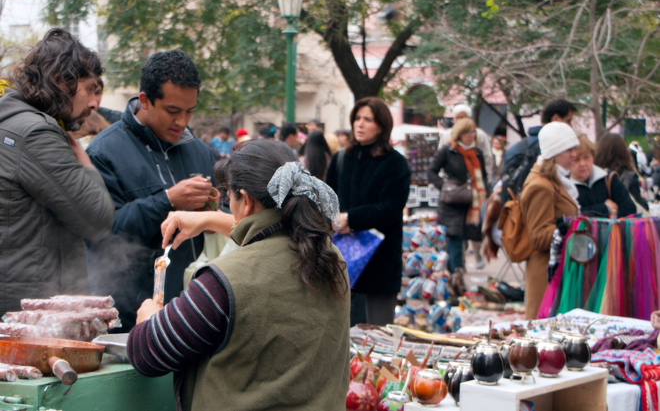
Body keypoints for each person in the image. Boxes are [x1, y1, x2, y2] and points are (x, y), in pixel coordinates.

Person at [127, 140, 350, 410]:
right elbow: (270, 229)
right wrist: (208, 220)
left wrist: (148, 318)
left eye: (228, 199)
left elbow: (148, 354)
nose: (227, 207)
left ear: (245, 200)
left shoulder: (225, 279)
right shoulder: (328, 256)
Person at [86, 50, 220, 330]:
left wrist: (212, 213)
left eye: (189, 111)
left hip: (195, 310)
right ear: (145, 100)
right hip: (131, 314)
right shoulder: (103, 151)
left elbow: (225, 224)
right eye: (172, 111)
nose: (182, 122)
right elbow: (102, 233)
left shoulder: (201, 152)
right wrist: (168, 200)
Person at [0, 28, 114, 314]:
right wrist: (87, 167)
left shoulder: (11, 122)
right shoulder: (36, 132)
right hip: (31, 315)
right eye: (89, 89)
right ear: (60, 81)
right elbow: (97, 218)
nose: (93, 102)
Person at [326, 97, 410, 326]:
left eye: (368, 120)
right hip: (342, 262)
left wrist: (351, 218)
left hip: (379, 264)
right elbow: (326, 199)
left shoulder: (395, 163)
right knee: (340, 339)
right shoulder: (342, 158)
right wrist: (332, 218)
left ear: (381, 126)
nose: (360, 124)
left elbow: (391, 209)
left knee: (374, 338)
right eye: (357, 118)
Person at [520, 122, 580, 319]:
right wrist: (568, 229)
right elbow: (538, 237)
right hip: (544, 277)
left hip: (554, 272)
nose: (574, 154)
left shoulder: (554, 181)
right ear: (554, 152)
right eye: (568, 149)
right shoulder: (541, 186)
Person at [428, 118, 490, 275]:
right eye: (467, 132)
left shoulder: (477, 153)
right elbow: (431, 171)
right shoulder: (448, 150)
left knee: (465, 239)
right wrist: (445, 186)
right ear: (459, 134)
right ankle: (454, 276)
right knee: (455, 239)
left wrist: (483, 191)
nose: (471, 135)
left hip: (471, 203)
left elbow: (483, 176)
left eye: (473, 132)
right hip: (452, 203)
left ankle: (455, 274)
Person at [500, 98, 576, 204]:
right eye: (568, 120)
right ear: (556, 119)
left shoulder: (518, 146)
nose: (571, 126)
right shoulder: (549, 148)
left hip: (512, 212)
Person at [570, 134, 636, 218]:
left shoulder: (608, 178)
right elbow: (568, 217)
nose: (582, 163)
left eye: (586, 157)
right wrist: (605, 207)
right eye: (576, 159)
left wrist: (592, 215)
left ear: (593, 156)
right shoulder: (564, 185)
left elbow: (630, 210)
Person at [594, 132, 649, 212]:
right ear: (624, 151)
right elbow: (637, 205)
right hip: (622, 220)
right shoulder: (629, 175)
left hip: (598, 218)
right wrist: (644, 202)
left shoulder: (594, 173)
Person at [439, 104, 493, 174]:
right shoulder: (447, 135)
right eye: (456, 118)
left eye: (461, 117)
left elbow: (487, 157)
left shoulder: (479, 134)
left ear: (469, 118)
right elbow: (440, 158)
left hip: (475, 174)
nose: (459, 120)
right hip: (452, 177)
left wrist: (487, 177)